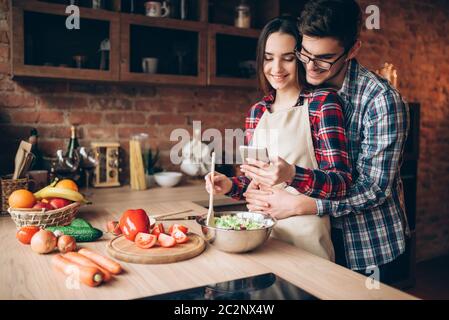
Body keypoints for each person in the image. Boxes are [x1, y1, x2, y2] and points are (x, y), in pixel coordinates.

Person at [242, 0, 410, 285]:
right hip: (314, 245)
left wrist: (300, 206)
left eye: (324, 58)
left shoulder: (381, 101)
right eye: (305, 54)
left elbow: (374, 190)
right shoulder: (304, 93)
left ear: (352, 50)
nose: (311, 66)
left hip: (367, 246)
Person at [205, 16, 352, 261]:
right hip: (260, 235)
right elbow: (257, 184)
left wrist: (292, 174)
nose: (277, 68)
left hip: (305, 239)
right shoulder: (257, 112)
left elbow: (341, 182)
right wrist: (230, 185)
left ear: (301, 58)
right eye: (269, 57)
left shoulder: (322, 103)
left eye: (288, 58)